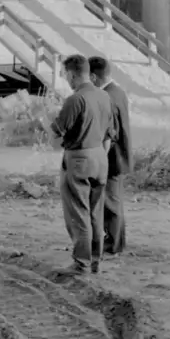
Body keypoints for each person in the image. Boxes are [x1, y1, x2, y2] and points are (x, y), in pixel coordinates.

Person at [50, 53, 116, 277]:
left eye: (65, 75)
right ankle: (95, 261)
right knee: (96, 213)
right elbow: (110, 134)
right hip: (100, 156)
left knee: (78, 214)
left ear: (71, 74)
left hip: (79, 158)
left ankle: (81, 263)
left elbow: (56, 132)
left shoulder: (75, 99)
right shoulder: (105, 96)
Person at [89, 55, 131, 257]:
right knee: (113, 201)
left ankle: (114, 244)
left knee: (110, 203)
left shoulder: (106, 97)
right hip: (120, 154)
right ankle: (115, 241)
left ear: (94, 76)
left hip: (112, 157)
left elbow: (108, 133)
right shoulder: (118, 92)